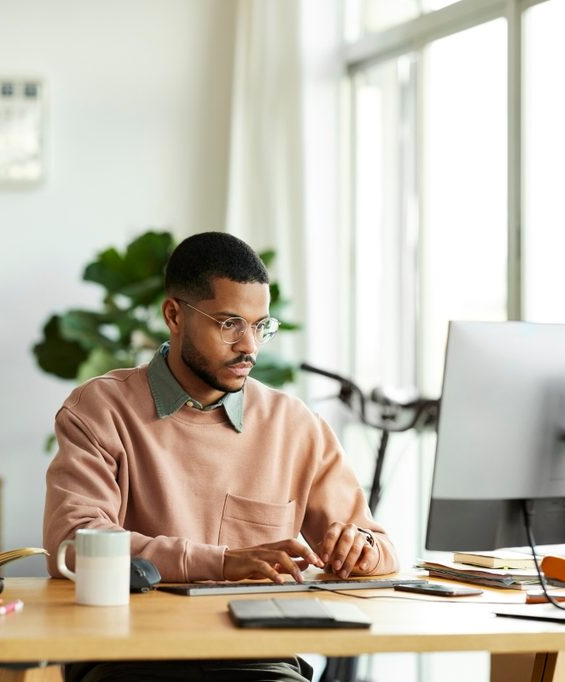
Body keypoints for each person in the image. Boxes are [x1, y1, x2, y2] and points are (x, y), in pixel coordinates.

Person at [43, 231, 398, 682]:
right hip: (130, 659)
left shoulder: (294, 425)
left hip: (260, 664)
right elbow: (75, 545)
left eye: (260, 326)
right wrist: (223, 562)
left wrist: (359, 550)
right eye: (229, 323)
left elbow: (382, 548)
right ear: (174, 315)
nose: (249, 345)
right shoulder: (101, 409)